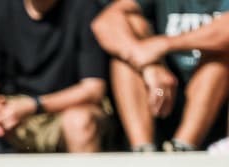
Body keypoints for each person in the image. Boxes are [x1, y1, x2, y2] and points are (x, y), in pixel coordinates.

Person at [0, 0, 110, 153]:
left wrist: (34, 106)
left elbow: (94, 90)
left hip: (65, 108)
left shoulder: (84, 7)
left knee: (80, 122)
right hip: (13, 110)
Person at [91, 0, 229, 151]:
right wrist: (149, 65)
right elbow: (104, 22)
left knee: (220, 55)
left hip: (214, 104)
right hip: (160, 93)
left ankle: (182, 148)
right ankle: (143, 150)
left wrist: (164, 44)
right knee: (130, 33)